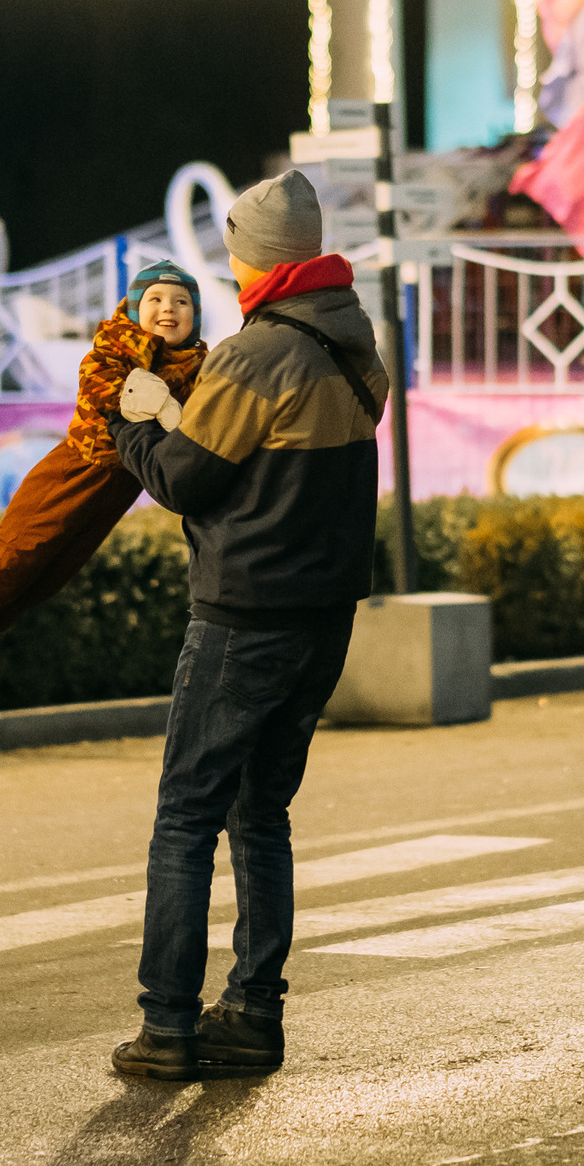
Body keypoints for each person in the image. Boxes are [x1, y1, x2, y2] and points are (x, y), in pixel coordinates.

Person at [105, 169, 387, 1081]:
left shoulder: (255, 352)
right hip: (324, 616)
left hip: (243, 614)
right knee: (261, 813)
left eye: (233, 248)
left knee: (185, 816)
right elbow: (273, 466)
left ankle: (168, 1024)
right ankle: (253, 1014)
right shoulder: (352, 337)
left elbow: (189, 478)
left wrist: (133, 422)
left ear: (256, 259)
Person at [0, 261, 206, 699]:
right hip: (73, 472)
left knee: (41, 581)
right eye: (155, 300)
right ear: (135, 307)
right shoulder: (117, 347)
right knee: (7, 563)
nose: (168, 310)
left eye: (181, 302)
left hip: (116, 490)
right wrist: (157, 405)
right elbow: (103, 388)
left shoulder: (197, 363)